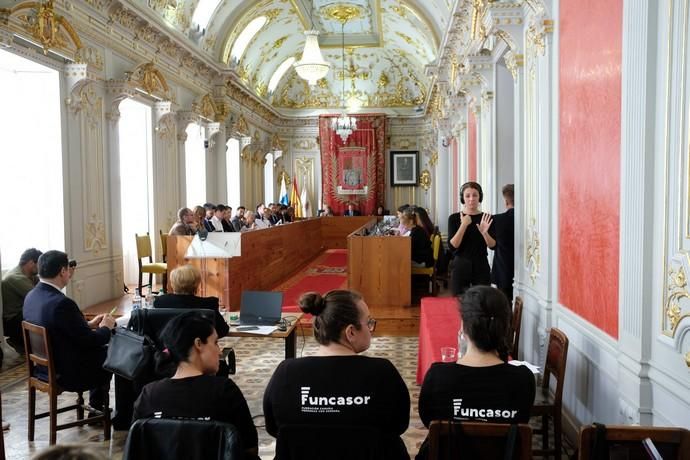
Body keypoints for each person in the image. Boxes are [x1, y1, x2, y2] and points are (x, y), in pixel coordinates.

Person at [263, 290, 410, 459]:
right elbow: (399, 425)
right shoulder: (383, 373)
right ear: (351, 332)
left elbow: (274, 428)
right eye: (369, 322)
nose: (372, 329)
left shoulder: (285, 373)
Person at [415, 286, 535, 460]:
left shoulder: (438, 376)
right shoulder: (523, 380)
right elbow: (523, 418)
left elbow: (429, 422)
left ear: (463, 327)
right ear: (505, 328)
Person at [133, 312, 259, 460]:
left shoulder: (149, 395)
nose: (219, 351)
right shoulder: (225, 391)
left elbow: (137, 448)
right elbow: (249, 449)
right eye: (215, 342)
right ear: (198, 344)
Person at [23, 250, 116, 414]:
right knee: (112, 353)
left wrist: (88, 325)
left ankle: (96, 405)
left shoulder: (31, 296)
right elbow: (89, 341)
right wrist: (106, 327)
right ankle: (100, 406)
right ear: (62, 271)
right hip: (68, 373)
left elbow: (60, 329)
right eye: (67, 269)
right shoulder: (62, 303)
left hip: (43, 369)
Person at [153, 264, 229, 338]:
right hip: (199, 349)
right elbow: (222, 331)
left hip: (169, 348)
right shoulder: (208, 304)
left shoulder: (160, 302)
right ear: (197, 284)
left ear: (172, 284)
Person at [447, 182, 495, 295]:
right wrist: (463, 225)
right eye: (467, 196)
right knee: (459, 302)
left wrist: (484, 233)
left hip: (481, 263)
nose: (471, 199)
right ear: (463, 198)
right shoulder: (454, 218)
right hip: (460, 264)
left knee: (482, 301)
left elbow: (492, 246)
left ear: (480, 197)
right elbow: (453, 246)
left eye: (475, 195)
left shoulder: (487, 218)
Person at [2, 247, 42, 353]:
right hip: (13, 321)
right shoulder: (16, 278)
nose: (41, 268)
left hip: (22, 314)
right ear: (31, 263)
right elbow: (39, 297)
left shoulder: (30, 275)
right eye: (40, 264)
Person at [491, 184, 515, 301]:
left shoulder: (497, 220)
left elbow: (492, 246)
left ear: (506, 201)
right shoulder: (529, 219)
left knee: (503, 305)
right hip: (529, 274)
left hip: (502, 269)